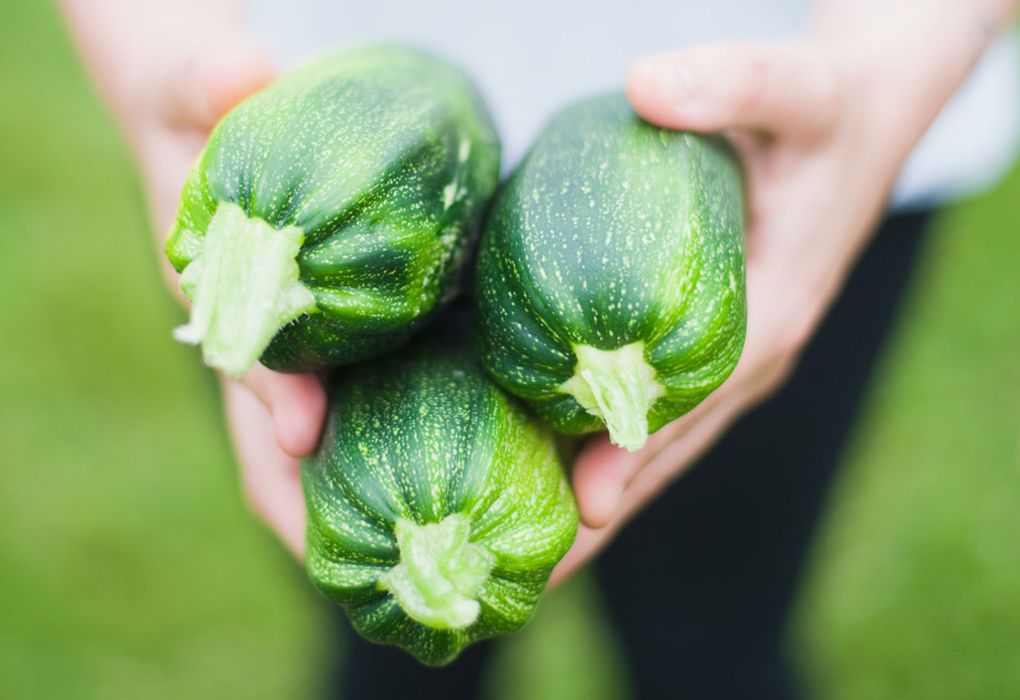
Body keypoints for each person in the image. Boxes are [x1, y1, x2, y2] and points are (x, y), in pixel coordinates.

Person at [60, 1, 1020, 697]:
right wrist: (154, 42)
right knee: (396, 659)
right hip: (317, 136)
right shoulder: (274, 212)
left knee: (713, 639)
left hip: (796, 122)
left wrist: (914, 48)